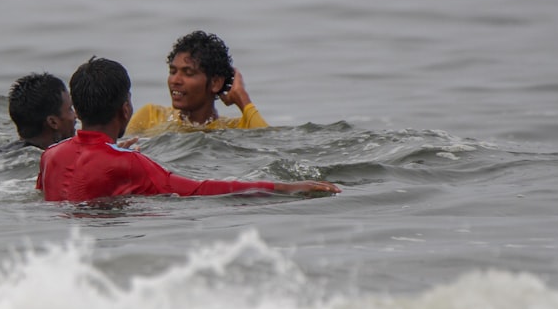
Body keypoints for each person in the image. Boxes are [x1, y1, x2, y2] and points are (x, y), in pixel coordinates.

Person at [37, 57, 341, 202]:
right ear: (125, 110)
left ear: (77, 110)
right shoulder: (131, 163)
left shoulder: (50, 155)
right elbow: (201, 189)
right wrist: (285, 188)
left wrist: (114, 155)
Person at [126, 30, 268, 136]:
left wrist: (242, 99)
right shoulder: (151, 116)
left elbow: (268, 144)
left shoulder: (233, 129)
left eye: (188, 73)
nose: (175, 80)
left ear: (215, 83)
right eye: (173, 71)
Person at [7, 72, 77, 149]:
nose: (75, 116)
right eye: (70, 109)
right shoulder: (54, 158)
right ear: (53, 122)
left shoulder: (2, 154)